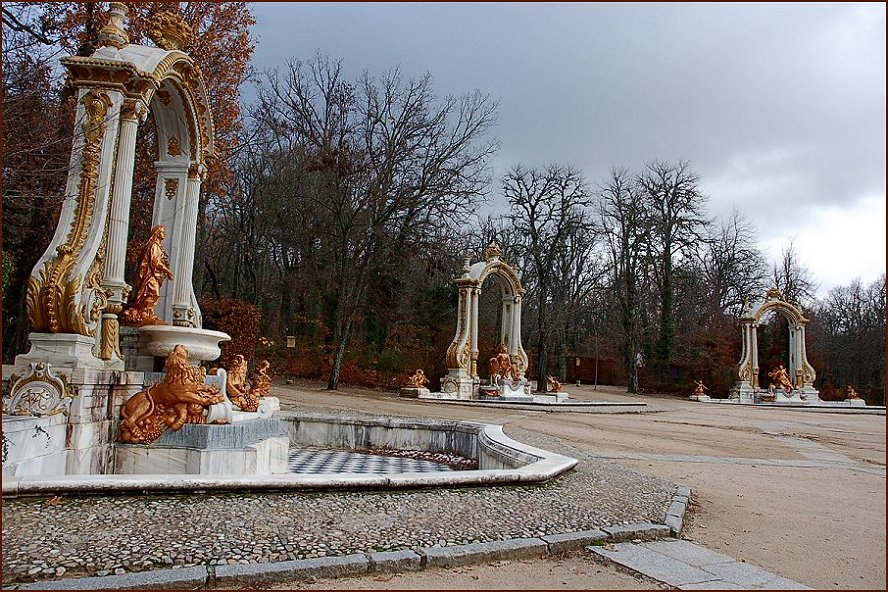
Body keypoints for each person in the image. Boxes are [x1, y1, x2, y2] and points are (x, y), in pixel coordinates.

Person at [121, 225, 173, 326]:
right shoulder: (153, 246)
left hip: (153, 275)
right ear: (157, 234)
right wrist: (167, 271)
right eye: (162, 232)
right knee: (152, 293)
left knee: (152, 294)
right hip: (149, 275)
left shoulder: (157, 246)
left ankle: (149, 313)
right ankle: (144, 312)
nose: (164, 234)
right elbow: (155, 262)